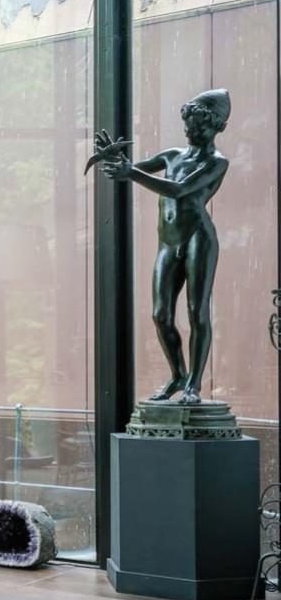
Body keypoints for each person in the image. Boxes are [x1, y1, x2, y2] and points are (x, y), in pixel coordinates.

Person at [99, 88, 231, 405]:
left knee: (197, 311)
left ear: (216, 127)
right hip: (167, 242)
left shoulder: (216, 162)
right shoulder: (172, 155)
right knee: (160, 315)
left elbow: (179, 190)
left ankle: (194, 385)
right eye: (187, 124)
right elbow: (134, 167)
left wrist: (131, 172)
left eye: (198, 126)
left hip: (198, 238)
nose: (190, 131)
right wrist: (114, 159)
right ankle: (177, 375)